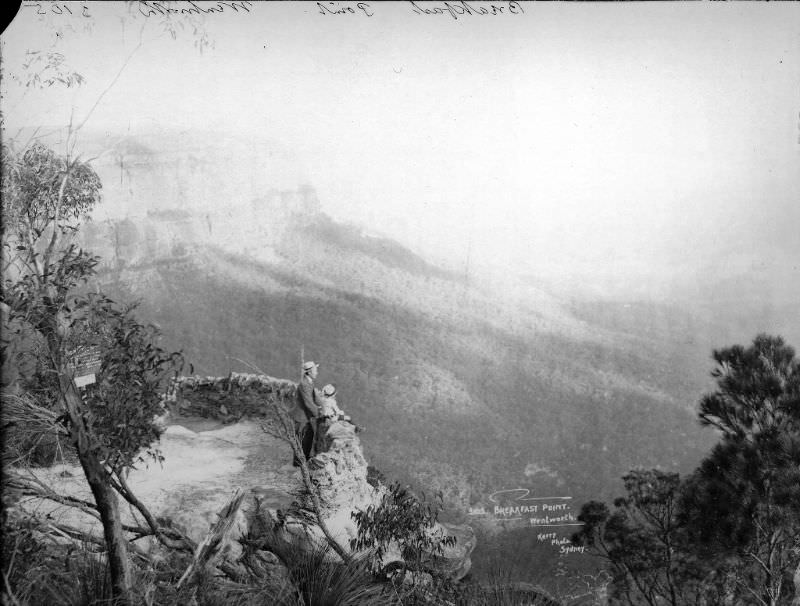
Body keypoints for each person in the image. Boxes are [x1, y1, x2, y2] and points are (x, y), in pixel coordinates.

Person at [289, 360, 321, 464]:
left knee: (307, 438)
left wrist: (324, 406)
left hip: (304, 417)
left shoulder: (309, 382)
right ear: (310, 372)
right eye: (315, 370)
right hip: (301, 417)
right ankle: (299, 463)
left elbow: (315, 398)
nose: (317, 372)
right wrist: (319, 414)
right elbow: (308, 403)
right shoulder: (304, 384)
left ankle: (302, 462)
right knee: (302, 440)